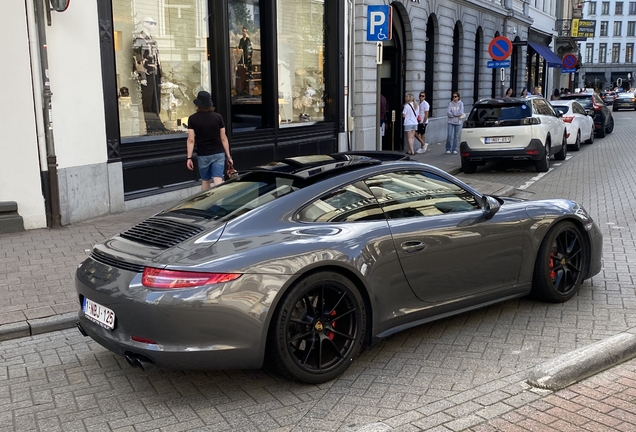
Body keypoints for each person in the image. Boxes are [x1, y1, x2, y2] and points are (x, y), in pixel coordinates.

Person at [186, 91, 233, 190]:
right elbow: (223, 138)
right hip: (218, 153)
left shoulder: (192, 119)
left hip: (203, 154)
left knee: (205, 180)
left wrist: (189, 157)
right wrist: (229, 156)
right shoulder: (218, 117)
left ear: (198, 105)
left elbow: (191, 140)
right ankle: (220, 202)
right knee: (218, 180)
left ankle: (206, 203)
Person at [133, 17, 167, 133]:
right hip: (147, 73)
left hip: (155, 74)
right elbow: (137, 58)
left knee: (156, 99)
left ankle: (157, 124)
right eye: (151, 23)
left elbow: (158, 59)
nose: (153, 25)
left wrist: (161, 75)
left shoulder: (153, 40)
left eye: (154, 23)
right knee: (148, 99)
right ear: (144, 23)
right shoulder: (139, 39)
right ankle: (150, 125)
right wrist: (142, 75)